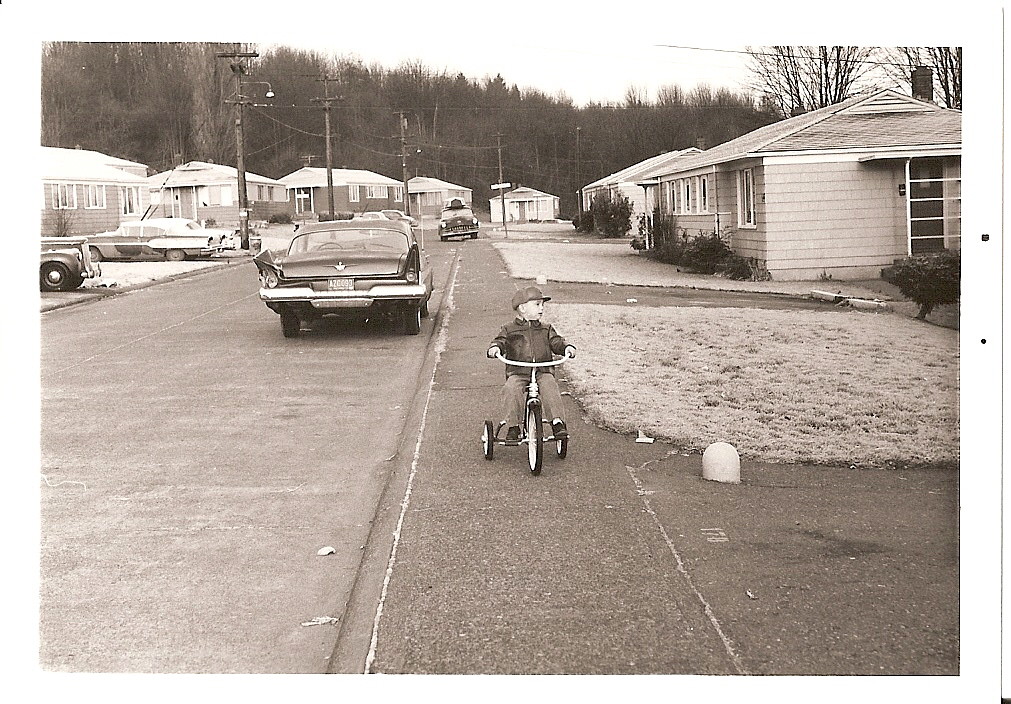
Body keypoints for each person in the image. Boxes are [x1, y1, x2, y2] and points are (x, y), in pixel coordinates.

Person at [487, 286, 576, 442]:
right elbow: (501, 341)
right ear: (522, 308)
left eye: (542, 305)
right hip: (519, 371)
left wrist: (566, 347)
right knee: (511, 389)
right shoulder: (509, 329)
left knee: (550, 386)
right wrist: (495, 348)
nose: (541, 308)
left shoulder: (546, 328)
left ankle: (557, 422)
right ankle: (513, 426)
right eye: (537, 305)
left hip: (542, 370)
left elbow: (556, 342)